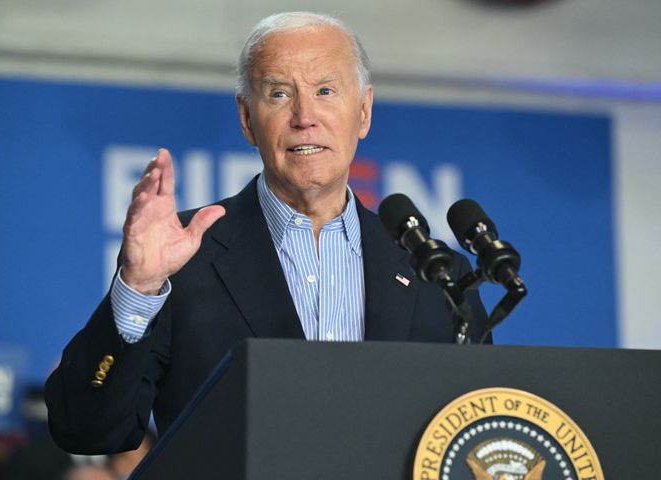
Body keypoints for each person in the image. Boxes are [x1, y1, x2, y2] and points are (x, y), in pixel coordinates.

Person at [44, 11, 488, 455]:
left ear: (364, 111)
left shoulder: (438, 278)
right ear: (246, 118)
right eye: (278, 94)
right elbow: (86, 430)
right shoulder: (183, 257)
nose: (304, 116)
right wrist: (139, 287)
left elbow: (478, 434)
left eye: (326, 91)